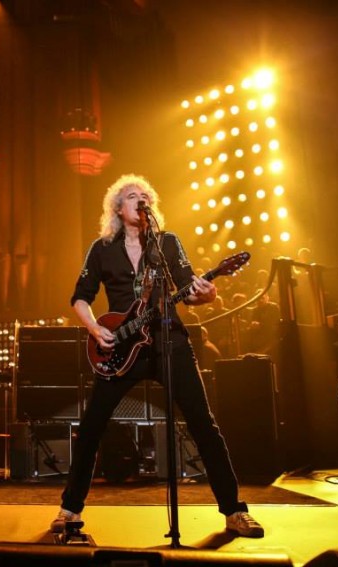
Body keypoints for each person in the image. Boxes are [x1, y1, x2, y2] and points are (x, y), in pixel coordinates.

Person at [51, 174, 264, 538]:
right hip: (120, 348)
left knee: (204, 424)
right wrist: (95, 329)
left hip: (169, 341)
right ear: (118, 208)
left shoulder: (167, 243)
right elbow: (80, 297)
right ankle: (69, 509)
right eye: (132, 195)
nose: (140, 200)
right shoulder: (102, 248)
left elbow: (190, 292)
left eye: (145, 195)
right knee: (91, 428)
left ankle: (234, 511)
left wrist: (207, 293)